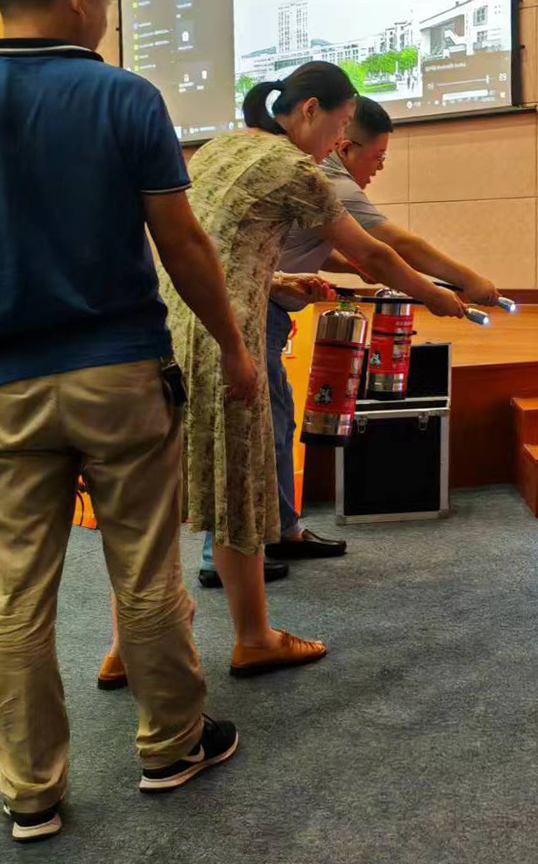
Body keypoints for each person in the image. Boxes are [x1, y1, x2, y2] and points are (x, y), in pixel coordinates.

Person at [0, 0, 253, 843]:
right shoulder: (125, 97)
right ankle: (171, 744)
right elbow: (182, 243)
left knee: (14, 593)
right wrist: (232, 346)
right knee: (144, 570)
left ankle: (30, 791)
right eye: (106, 0)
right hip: (121, 376)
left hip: (5, 384)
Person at [132, 60, 466, 681]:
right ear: (310, 111)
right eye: (341, 125)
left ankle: (127, 646)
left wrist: (278, 278)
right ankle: (255, 638)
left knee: (153, 494)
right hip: (225, 338)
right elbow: (372, 254)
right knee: (238, 485)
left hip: (168, 326)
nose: (340, 143)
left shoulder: (220, 147)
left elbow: (213, 246)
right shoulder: (294, 168)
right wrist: (437, 293)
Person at [193, 95, 500, 585]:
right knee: (250, 428)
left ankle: (282, 529)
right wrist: (460, 284)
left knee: (277, 420)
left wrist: (354, 268)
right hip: (246, 315)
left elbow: (317, 247)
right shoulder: (323, 178)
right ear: (341, 140)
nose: (378, 167)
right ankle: (222, 555)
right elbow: (391, 248)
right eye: (377, 155)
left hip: (267, 310)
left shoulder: (299, 172)